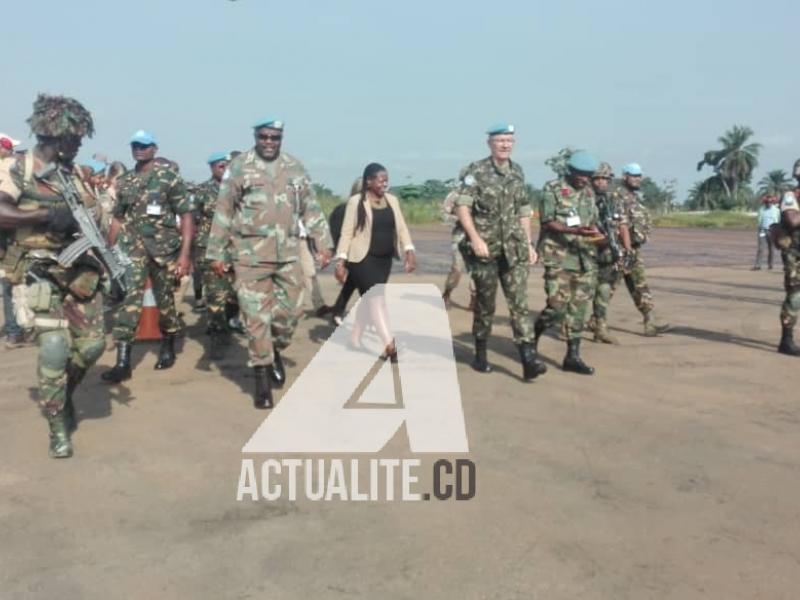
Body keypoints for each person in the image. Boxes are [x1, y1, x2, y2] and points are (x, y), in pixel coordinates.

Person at [0, 94, 106, 458]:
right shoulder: (18, 168)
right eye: (74, 139)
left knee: (93, 345)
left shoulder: (73, 174)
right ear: (55, 135)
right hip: (37, 269)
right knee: (55, 348)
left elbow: (94, 218)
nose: (78, 145)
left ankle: (61, 395)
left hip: (77, 270)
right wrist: (42, 218)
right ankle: (57, 424)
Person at [206, 116, 333, 409]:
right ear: (256, 136)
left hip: (287, 254)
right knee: (255, 318)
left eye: (274, 138)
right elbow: (224, 209)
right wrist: (216, 253)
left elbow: (311, 208)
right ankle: (261, 379)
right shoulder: (239, 167)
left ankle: (275, 348)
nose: (268, 142)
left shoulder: (294, 167)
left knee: (291, 312)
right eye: (263, 136)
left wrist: (322, 243)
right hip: (250, 256)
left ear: (281, 139)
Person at [454, 123, 546, 380]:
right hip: (486, 250)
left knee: (520, 304)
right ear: (490, 144)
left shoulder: (517, 171)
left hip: (514, 250)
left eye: (509, 140)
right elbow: (463, 207)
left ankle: (528, 358)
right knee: (485, 305)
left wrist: (528, 243)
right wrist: (475, 239)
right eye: (500, 140)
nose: (505, 145)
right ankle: (480, 354)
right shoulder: (476, 171)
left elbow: (523, 210)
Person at [102, 131, 194, 383]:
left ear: (154, 148)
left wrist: (185, 256)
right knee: (129, 301)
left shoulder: (169, 178)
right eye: (135, 145)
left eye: (144, 146)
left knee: (165, 302)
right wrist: (110, 250)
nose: (139, 149)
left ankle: (167, 346)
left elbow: (186, 216)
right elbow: (118, 218)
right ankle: (123, 362)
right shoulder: (126, 181)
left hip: (164, 251)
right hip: (134, 251)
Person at [334, 163, 416, 358]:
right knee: (377, 300)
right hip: (363, 260)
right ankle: (390, 345)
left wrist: (409, 250)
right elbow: (346, 233)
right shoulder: (356, 202)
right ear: (369, 181)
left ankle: (354, 339)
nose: (384, 184)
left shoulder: (392, 200)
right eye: (380, 180)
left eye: (386, 180)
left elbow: (401, 227)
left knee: (369, 300)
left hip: (384, 259)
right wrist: (341, 261)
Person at [534, 150, 603, 375]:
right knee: (557, 307)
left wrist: (598, 236)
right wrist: (574, 230)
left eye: (588, 175)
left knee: (579, 309)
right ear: (571, 171)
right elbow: (547, 221)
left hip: (585, 257)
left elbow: (593, 222)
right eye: (581, 174)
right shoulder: (552, 188)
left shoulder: (590, 194)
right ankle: (530, 340)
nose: (584, 179)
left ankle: (572, 356)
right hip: (559, 257)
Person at [605, 163, 670, 337]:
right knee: (608, 287)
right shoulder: (616, 195)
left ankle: (650, 321)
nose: (637, 178)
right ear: (625, 176)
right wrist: (623, 249)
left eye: (639, 175)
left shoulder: (633, 196)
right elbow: (619, 223)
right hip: (618, 250)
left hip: (633, 249)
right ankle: (596, 321)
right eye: (634, 175)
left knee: (639, 285)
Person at [193, 152, 238, 355]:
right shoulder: (202, 191)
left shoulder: (240, 189)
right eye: (221, 166)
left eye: (227, 166)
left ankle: (228, 323)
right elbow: (193, 221)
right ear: (212, 168)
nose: (225, 169)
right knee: (215, 295)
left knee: (235, 294)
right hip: (211, 250)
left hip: (237, 249)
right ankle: (217, 336)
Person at [589, 161, 628, 344]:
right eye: (597, 178)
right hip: (585, 251)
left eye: (605, 178)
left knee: (604, 289)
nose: (601, 182)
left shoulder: (613, 199)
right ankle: (569, 326)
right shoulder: (583, 197)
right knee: (579, 292)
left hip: (606, 251)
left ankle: (600, 327)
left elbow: (622, 225)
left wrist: (626, 249)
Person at [0, 132, 29, 348]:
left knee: (9, 282)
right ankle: (15, 329)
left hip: (9, 235)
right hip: (15, 234)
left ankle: (14, 329)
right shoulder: (16, 167)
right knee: (13, 282)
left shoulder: (10, 168)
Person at [774, 159, 800, 355]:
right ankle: (786, 340)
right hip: (795, 254)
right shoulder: (791, 196)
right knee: (795, 295)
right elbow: (792, 220)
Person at [328, 178, 361, 325]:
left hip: (348, 250)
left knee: (353, 283)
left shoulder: (341, 209)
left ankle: (338, 310)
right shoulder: (353, 209)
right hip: (354, 252)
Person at [441, 182, 476, 311]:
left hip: (479, 238)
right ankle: (447, 294)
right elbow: (444, 215)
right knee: (457, 269)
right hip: (460, 236)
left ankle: (474, 298)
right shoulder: (455, 195)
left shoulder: (483, 194)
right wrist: (461, 219)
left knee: (477, 270)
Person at [753, 194, 780, 270]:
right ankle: (758, 265)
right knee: (761, 248)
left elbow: (779, 221)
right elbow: (759, 220)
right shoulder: (761, 209)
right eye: (767, 202)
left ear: (773, 202)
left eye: (770, 202)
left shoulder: (777, 210)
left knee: (771, 248)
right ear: (765, 203)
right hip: (762, 230)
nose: (769, 203)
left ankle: (770, 264)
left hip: (772, 231)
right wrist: (759, 228)